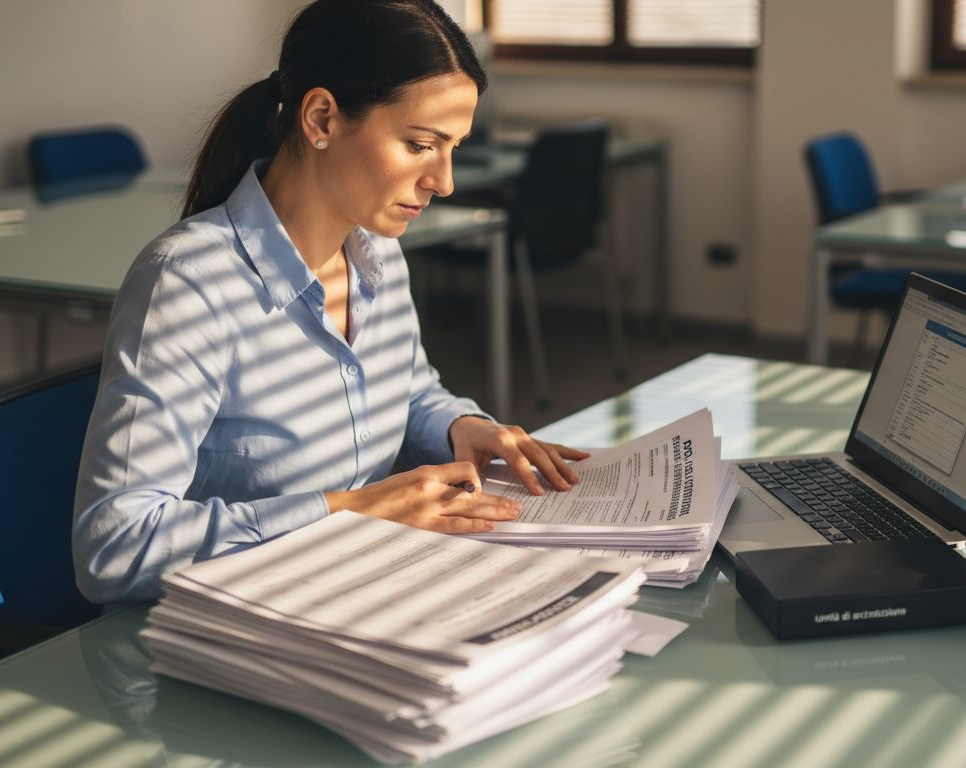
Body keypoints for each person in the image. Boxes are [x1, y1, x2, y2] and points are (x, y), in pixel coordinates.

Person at [73, 0, 586, 605]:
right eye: (421, 144)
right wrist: (351, 512)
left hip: (361, 590)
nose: (444, 182)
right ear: (321, 118)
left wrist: (461, 425)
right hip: (238, 624)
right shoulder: (187, 283)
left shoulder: (374, 252)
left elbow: (408, 387)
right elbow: (115, 547)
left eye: (453, 148)